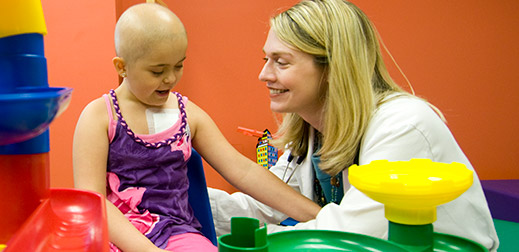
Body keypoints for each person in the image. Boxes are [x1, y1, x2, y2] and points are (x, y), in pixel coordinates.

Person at [207, 0, 499, 251]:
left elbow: (348, 237)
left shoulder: (403, 125)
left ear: (334, 67)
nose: (263, 74)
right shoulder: (313, 132)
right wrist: (182, 201)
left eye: (281, 62)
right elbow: (265, 206)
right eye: (266, 59)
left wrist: (238, 241)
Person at [72, 3, 321, 252]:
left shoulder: (188, 115)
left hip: (176, 234)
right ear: (122, 67)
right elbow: (94, 201)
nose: (170, 78)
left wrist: (319, 215)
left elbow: (243, 171)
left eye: (178, 66)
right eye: (157, 71)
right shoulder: (99, 117)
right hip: (112, 235)